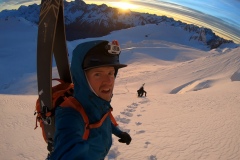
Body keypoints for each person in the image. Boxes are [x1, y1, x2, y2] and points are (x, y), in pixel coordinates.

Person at [50, 40, 132, 160]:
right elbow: (68, 147)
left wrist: (119, 133)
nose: (109, 81)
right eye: (98, 74)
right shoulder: (70, 115)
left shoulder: (99, 103)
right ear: (82, 78)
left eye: (110, 73)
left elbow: (103, 118)